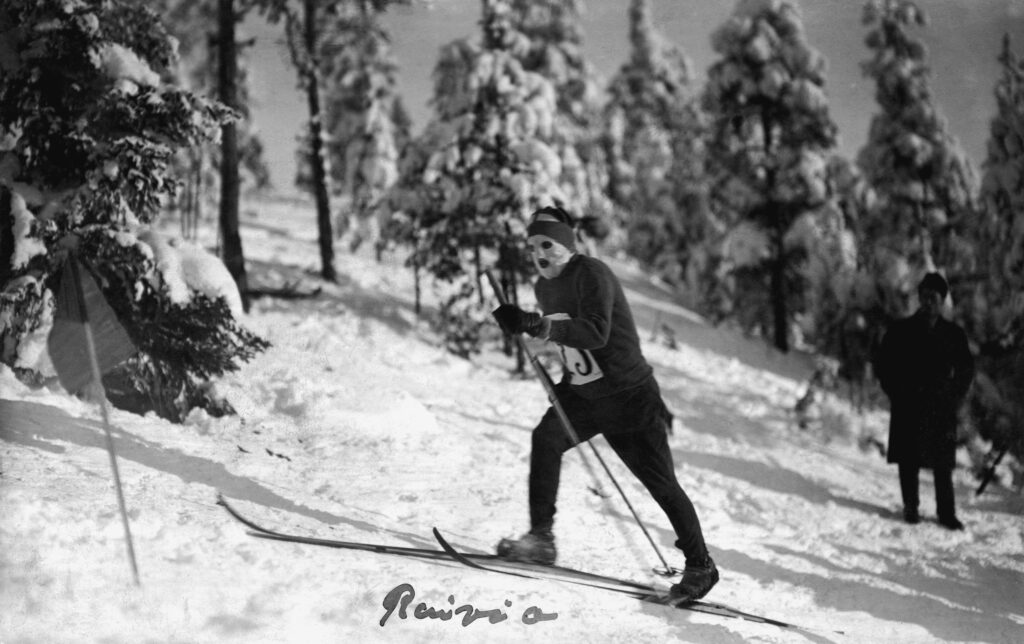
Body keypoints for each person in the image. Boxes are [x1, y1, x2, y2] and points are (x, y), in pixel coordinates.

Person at [491, 206, 718, 603]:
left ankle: (701, 566)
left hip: (631, 396)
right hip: (588, 398)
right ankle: (541, 538)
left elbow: (594, 333)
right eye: (532, 247)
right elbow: (569, 344)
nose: (539, 254)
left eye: (548, 244)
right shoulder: (545, 287)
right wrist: (564, 384)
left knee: (660, 482)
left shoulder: (592, 273)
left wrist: (535, 325)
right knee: (546, 438)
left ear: (566, 244)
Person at [874, 272, 975, 530]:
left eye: (935, 297)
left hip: (940, 408)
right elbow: (884, 364)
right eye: (925, 296)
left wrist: (954, 397)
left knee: (942, 465)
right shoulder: (901, 331)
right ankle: (911, 507)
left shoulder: (953, 334)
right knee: (909, 461)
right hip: (908, 404)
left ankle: (946, 513)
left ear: (942, 301)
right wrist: (895, 392)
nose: (929, 302)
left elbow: (965, 370)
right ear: (919, 298)